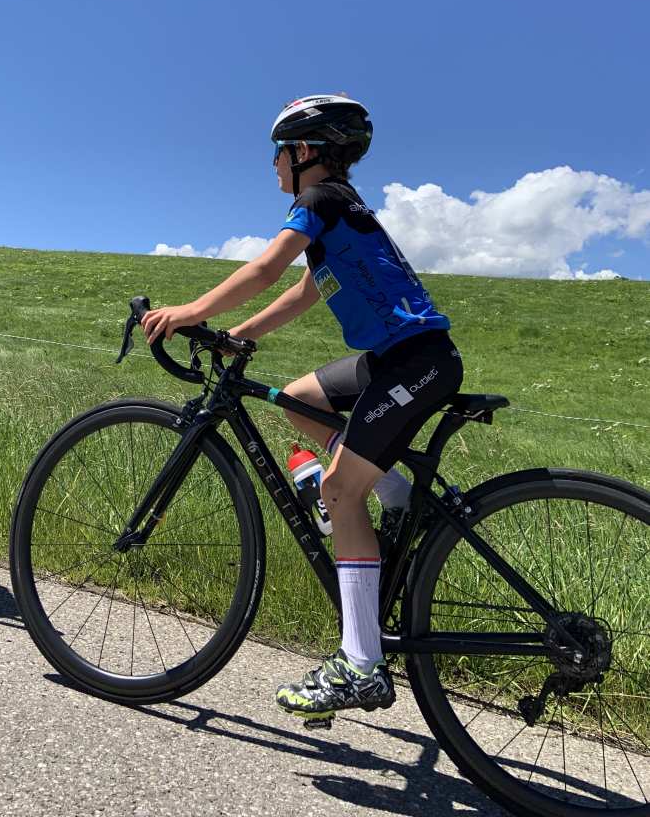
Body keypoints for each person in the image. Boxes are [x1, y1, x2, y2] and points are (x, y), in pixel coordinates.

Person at [142, 94, 463, 721]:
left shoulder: (319, 200)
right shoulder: (342, 212)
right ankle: (399, 499)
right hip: (394, 358)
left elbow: (267, 268)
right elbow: (302, 292)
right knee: (299, 399)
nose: (273, 165)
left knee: (340, 491)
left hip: (415, 363)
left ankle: (361, 665)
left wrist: (188, 313)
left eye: (278, 152)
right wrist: (241, 336)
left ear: (305, 151)